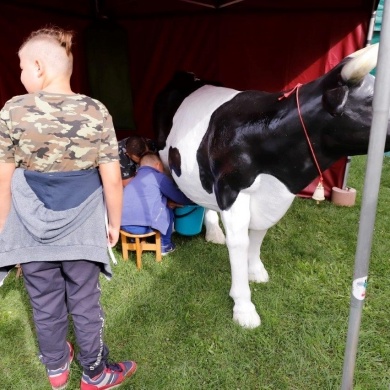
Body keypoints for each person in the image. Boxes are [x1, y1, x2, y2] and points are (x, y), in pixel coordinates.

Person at [0, 27, 137, 390]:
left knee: (43, 299)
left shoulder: (12, 110)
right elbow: (111, 178)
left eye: (22, 68)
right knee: (85, 300)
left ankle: (57, 369)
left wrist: (4, 231)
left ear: (40, 67)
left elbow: (3, 177)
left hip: (28, 225)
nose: (21, 75)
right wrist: (114, 222)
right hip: (83, 222)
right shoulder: (95, 111)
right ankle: (95, 374)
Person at [121, 152, 193, 255]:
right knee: (168, 209)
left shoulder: (132, 180)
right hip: (142, 228)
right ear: (158, 165)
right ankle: (164, 246)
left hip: (124, 226)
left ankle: (132, 240)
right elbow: (177, 196)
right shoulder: (158, 177)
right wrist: (193, 199)